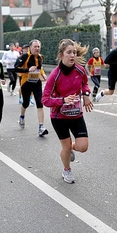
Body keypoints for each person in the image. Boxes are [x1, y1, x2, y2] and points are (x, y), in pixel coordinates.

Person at [42, 39, 93, 184]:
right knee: (65, 146)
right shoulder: (55, 75)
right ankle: (67, 170)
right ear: (61, 55)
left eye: (74, 53)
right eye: (69, 52)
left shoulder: (80, 70)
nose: (72, 56)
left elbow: (85, 85)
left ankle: (69, 147)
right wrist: (63, 100)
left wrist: (86, 95)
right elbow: (45, 99)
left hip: (76, 115)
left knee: (83, 147)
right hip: (59, 117)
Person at [14, 39, 48, 137]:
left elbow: (40, 68)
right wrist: (28, 70)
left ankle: (41, 127)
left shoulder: (40, 57)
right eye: (35, 47)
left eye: (38, 47)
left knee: (40, 103)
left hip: (36, 82)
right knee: (26, 103)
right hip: (26, 83)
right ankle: (22, 116)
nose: (37, 48)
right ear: (30, 48)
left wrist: (43, 74)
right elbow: (16, 68)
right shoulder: (25, 57)